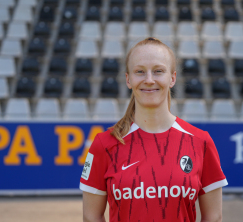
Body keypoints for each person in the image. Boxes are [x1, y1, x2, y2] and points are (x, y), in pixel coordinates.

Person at [80, 37, 228, 222]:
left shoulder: (201, 142)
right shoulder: (104, 144)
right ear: (128, 79)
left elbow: (213, 216)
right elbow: (91, 216)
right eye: (140, 72)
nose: (149, 80)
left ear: (172, 78)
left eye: (158, 71)